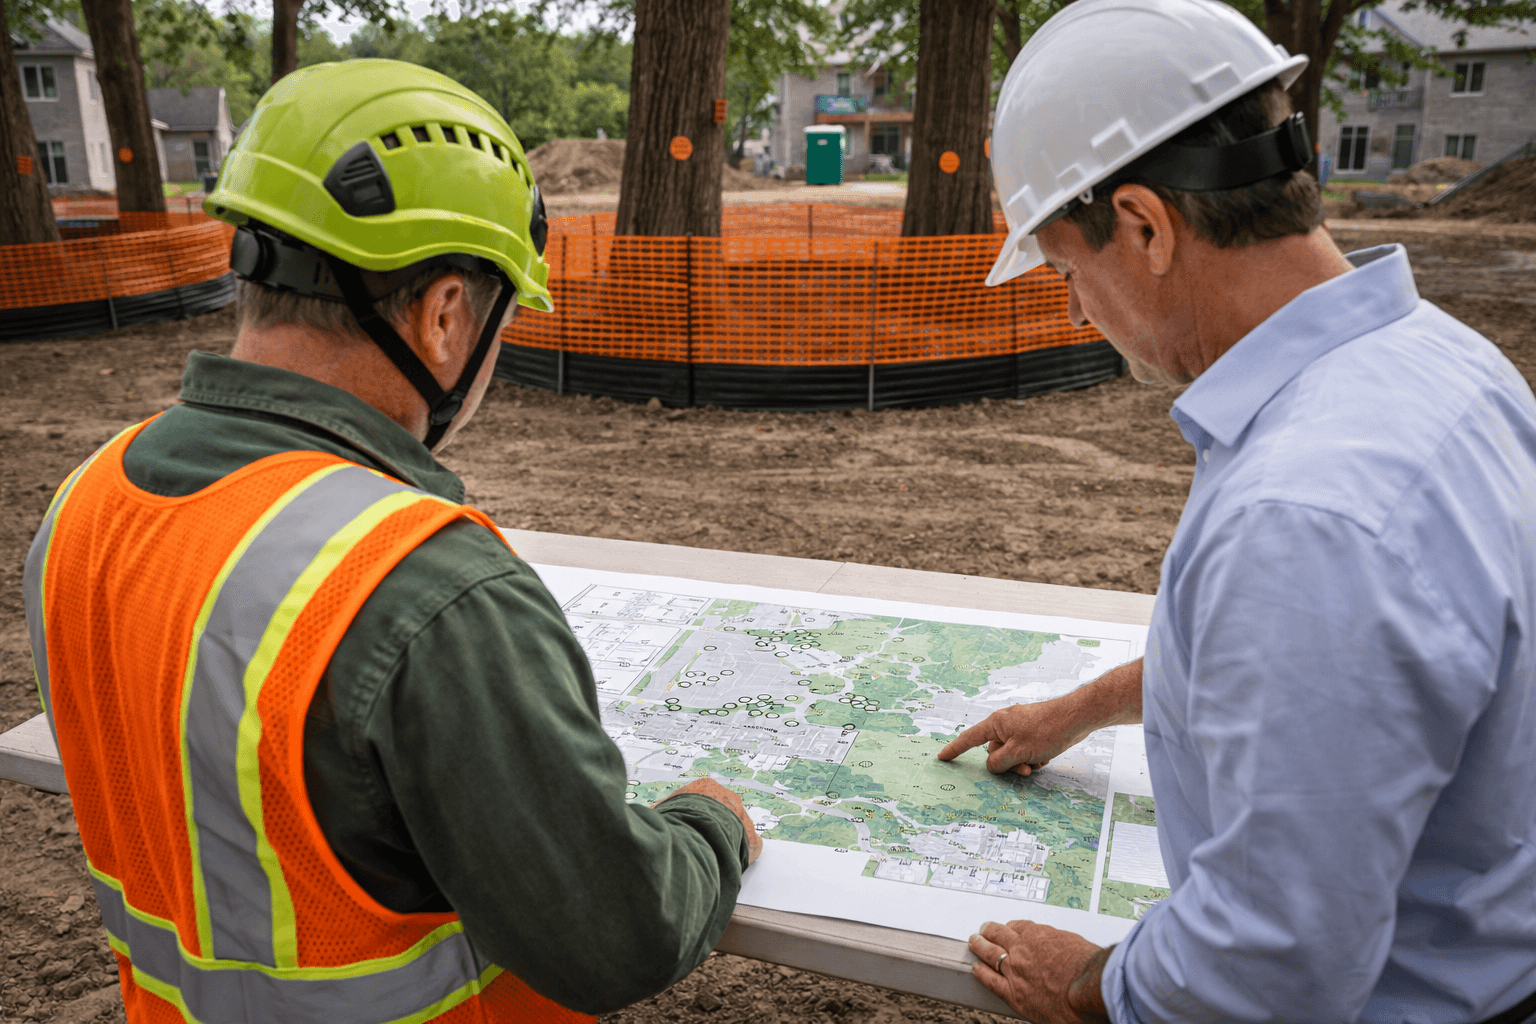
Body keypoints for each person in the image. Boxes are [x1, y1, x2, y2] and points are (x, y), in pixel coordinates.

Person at [23, 59, 760, 1024]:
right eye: (502, 318)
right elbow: (617, 933)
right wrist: (711, 826)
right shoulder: (425, 588)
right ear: (447, 314)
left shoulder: (87, 499)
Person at [939, 1, 1536, 1022]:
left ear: (1144, 226)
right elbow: (1359, 672)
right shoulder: (1450, 365)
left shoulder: (1304, 516)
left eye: (1070, 269)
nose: (1080, 312)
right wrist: (1081, 708)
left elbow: (1271, 961)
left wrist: (1086, 984)